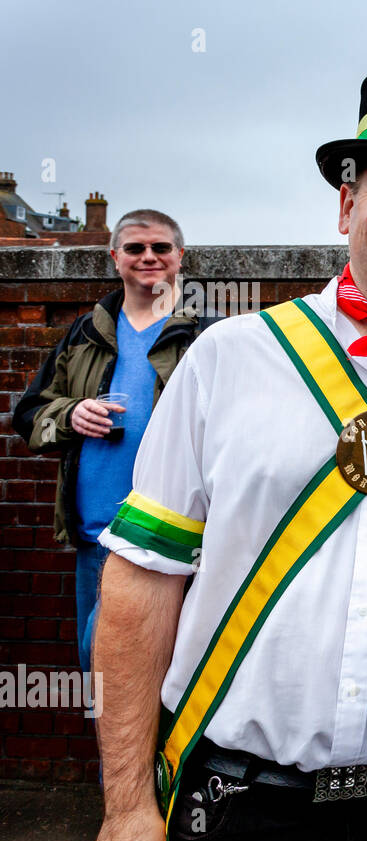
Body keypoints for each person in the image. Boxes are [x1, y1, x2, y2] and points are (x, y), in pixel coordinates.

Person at [88, 69, 367, 841]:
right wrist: (125, 813)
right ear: (347, 205)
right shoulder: (229, 356)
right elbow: (139, 585)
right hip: (238, 812)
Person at [13, 210, 220, 673]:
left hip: (175, 537)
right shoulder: (86, 332)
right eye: (135, 248)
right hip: (98, 536)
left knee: (171, 675)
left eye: (161, 248)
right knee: (100, 672)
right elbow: (27, 416)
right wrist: (70, 413)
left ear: (179, 257)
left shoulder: (209, 333)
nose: (149, 257)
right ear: (115, 257)